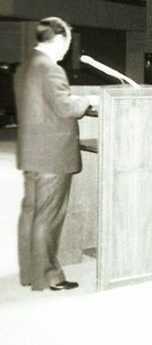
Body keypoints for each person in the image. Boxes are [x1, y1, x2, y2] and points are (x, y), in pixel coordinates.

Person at [14, 17, 93, 292]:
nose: (67, 49)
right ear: (59, 39)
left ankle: (30, 274)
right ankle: (50, 277)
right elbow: (65, 108)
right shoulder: (51, 69)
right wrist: (86, 102)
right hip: (52, 156)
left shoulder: (25, 66)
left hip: (32, 153)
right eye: (67, 42)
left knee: (32, 213)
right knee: (48, 217)